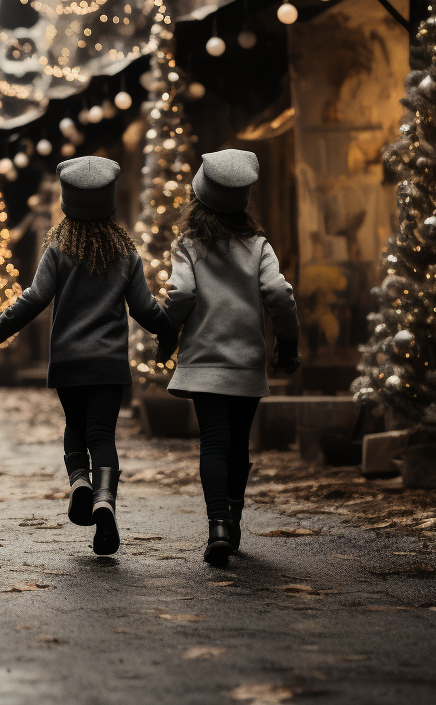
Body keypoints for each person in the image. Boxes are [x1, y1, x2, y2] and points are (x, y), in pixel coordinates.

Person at [0, 157, 176, 556]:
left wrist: (1, 328)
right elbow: (143, 308)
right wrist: (168, 329)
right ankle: (105, 499)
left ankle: (80, 484)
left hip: (68, 361)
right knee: (102, 434)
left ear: (68, 202)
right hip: (108, 364)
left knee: (75, 424)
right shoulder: (125, 253)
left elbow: (35, 297)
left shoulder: (58, 249)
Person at [157, 149, 299, 565]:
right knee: (239, 445)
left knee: (213, 443)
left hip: (203, 363)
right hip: (245, 363)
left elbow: (180, 294)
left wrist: (167, 338)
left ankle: (217, 525)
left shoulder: (189, 244)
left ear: (199, 194)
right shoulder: (258, 246)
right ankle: (233, 524)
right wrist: (286, 342)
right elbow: (278, 293)